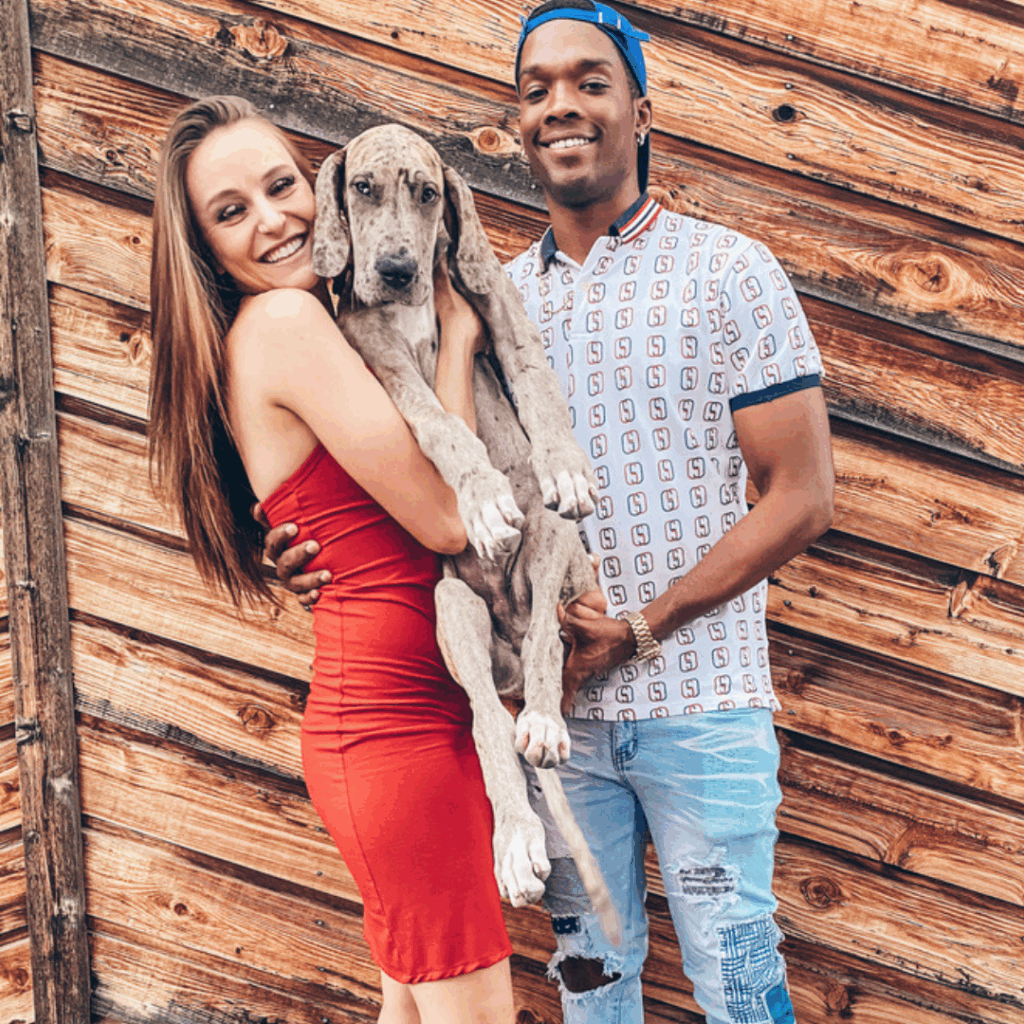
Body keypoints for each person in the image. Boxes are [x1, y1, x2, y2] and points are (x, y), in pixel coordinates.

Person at [269, 3, 835, 1022]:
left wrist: (644, 625)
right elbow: (409, 466)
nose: (560, 105)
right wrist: (295, 545)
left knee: (742, 992)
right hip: (556, 724)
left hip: (701, 704)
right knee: (592, 997)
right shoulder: (485, 297)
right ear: (517, 126)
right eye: (537, 91)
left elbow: (802, 495)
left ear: (642, 112)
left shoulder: (730, 270)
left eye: (589, 81)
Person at [147, 95, 518, 1024]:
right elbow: (448, 516)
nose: (274, 219)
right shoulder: (284, 325)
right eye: (231, 211)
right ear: (206, 248)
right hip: (397, 734)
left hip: (400, 724)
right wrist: (462, 335)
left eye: (281, 185)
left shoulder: (306, 327)